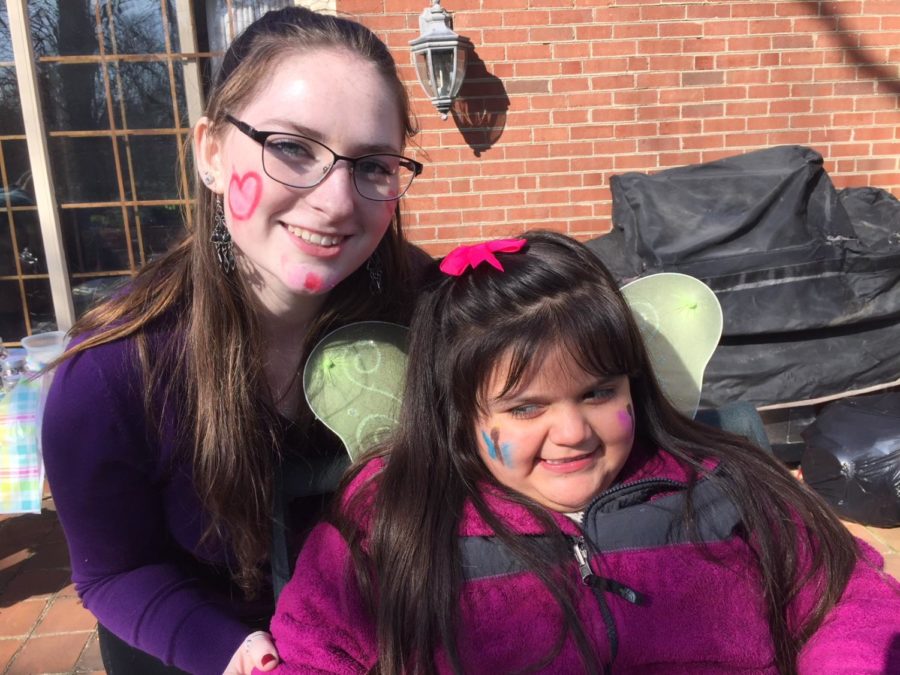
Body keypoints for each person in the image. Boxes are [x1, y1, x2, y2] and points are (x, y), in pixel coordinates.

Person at [268, 231, 900, 674]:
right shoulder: (399, 517)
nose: (573, 432)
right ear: (457, 417)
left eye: (598, 392)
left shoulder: (725, 485)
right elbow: (315, 653)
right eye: (524, 408)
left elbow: (846, 597)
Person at [41, 7, 425, 675]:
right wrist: (235, 652)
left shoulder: (428, 314)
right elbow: (115, 569)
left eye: (371, 165)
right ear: (212, 153)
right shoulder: (112, 369)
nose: (337, 201)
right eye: (293, 148)